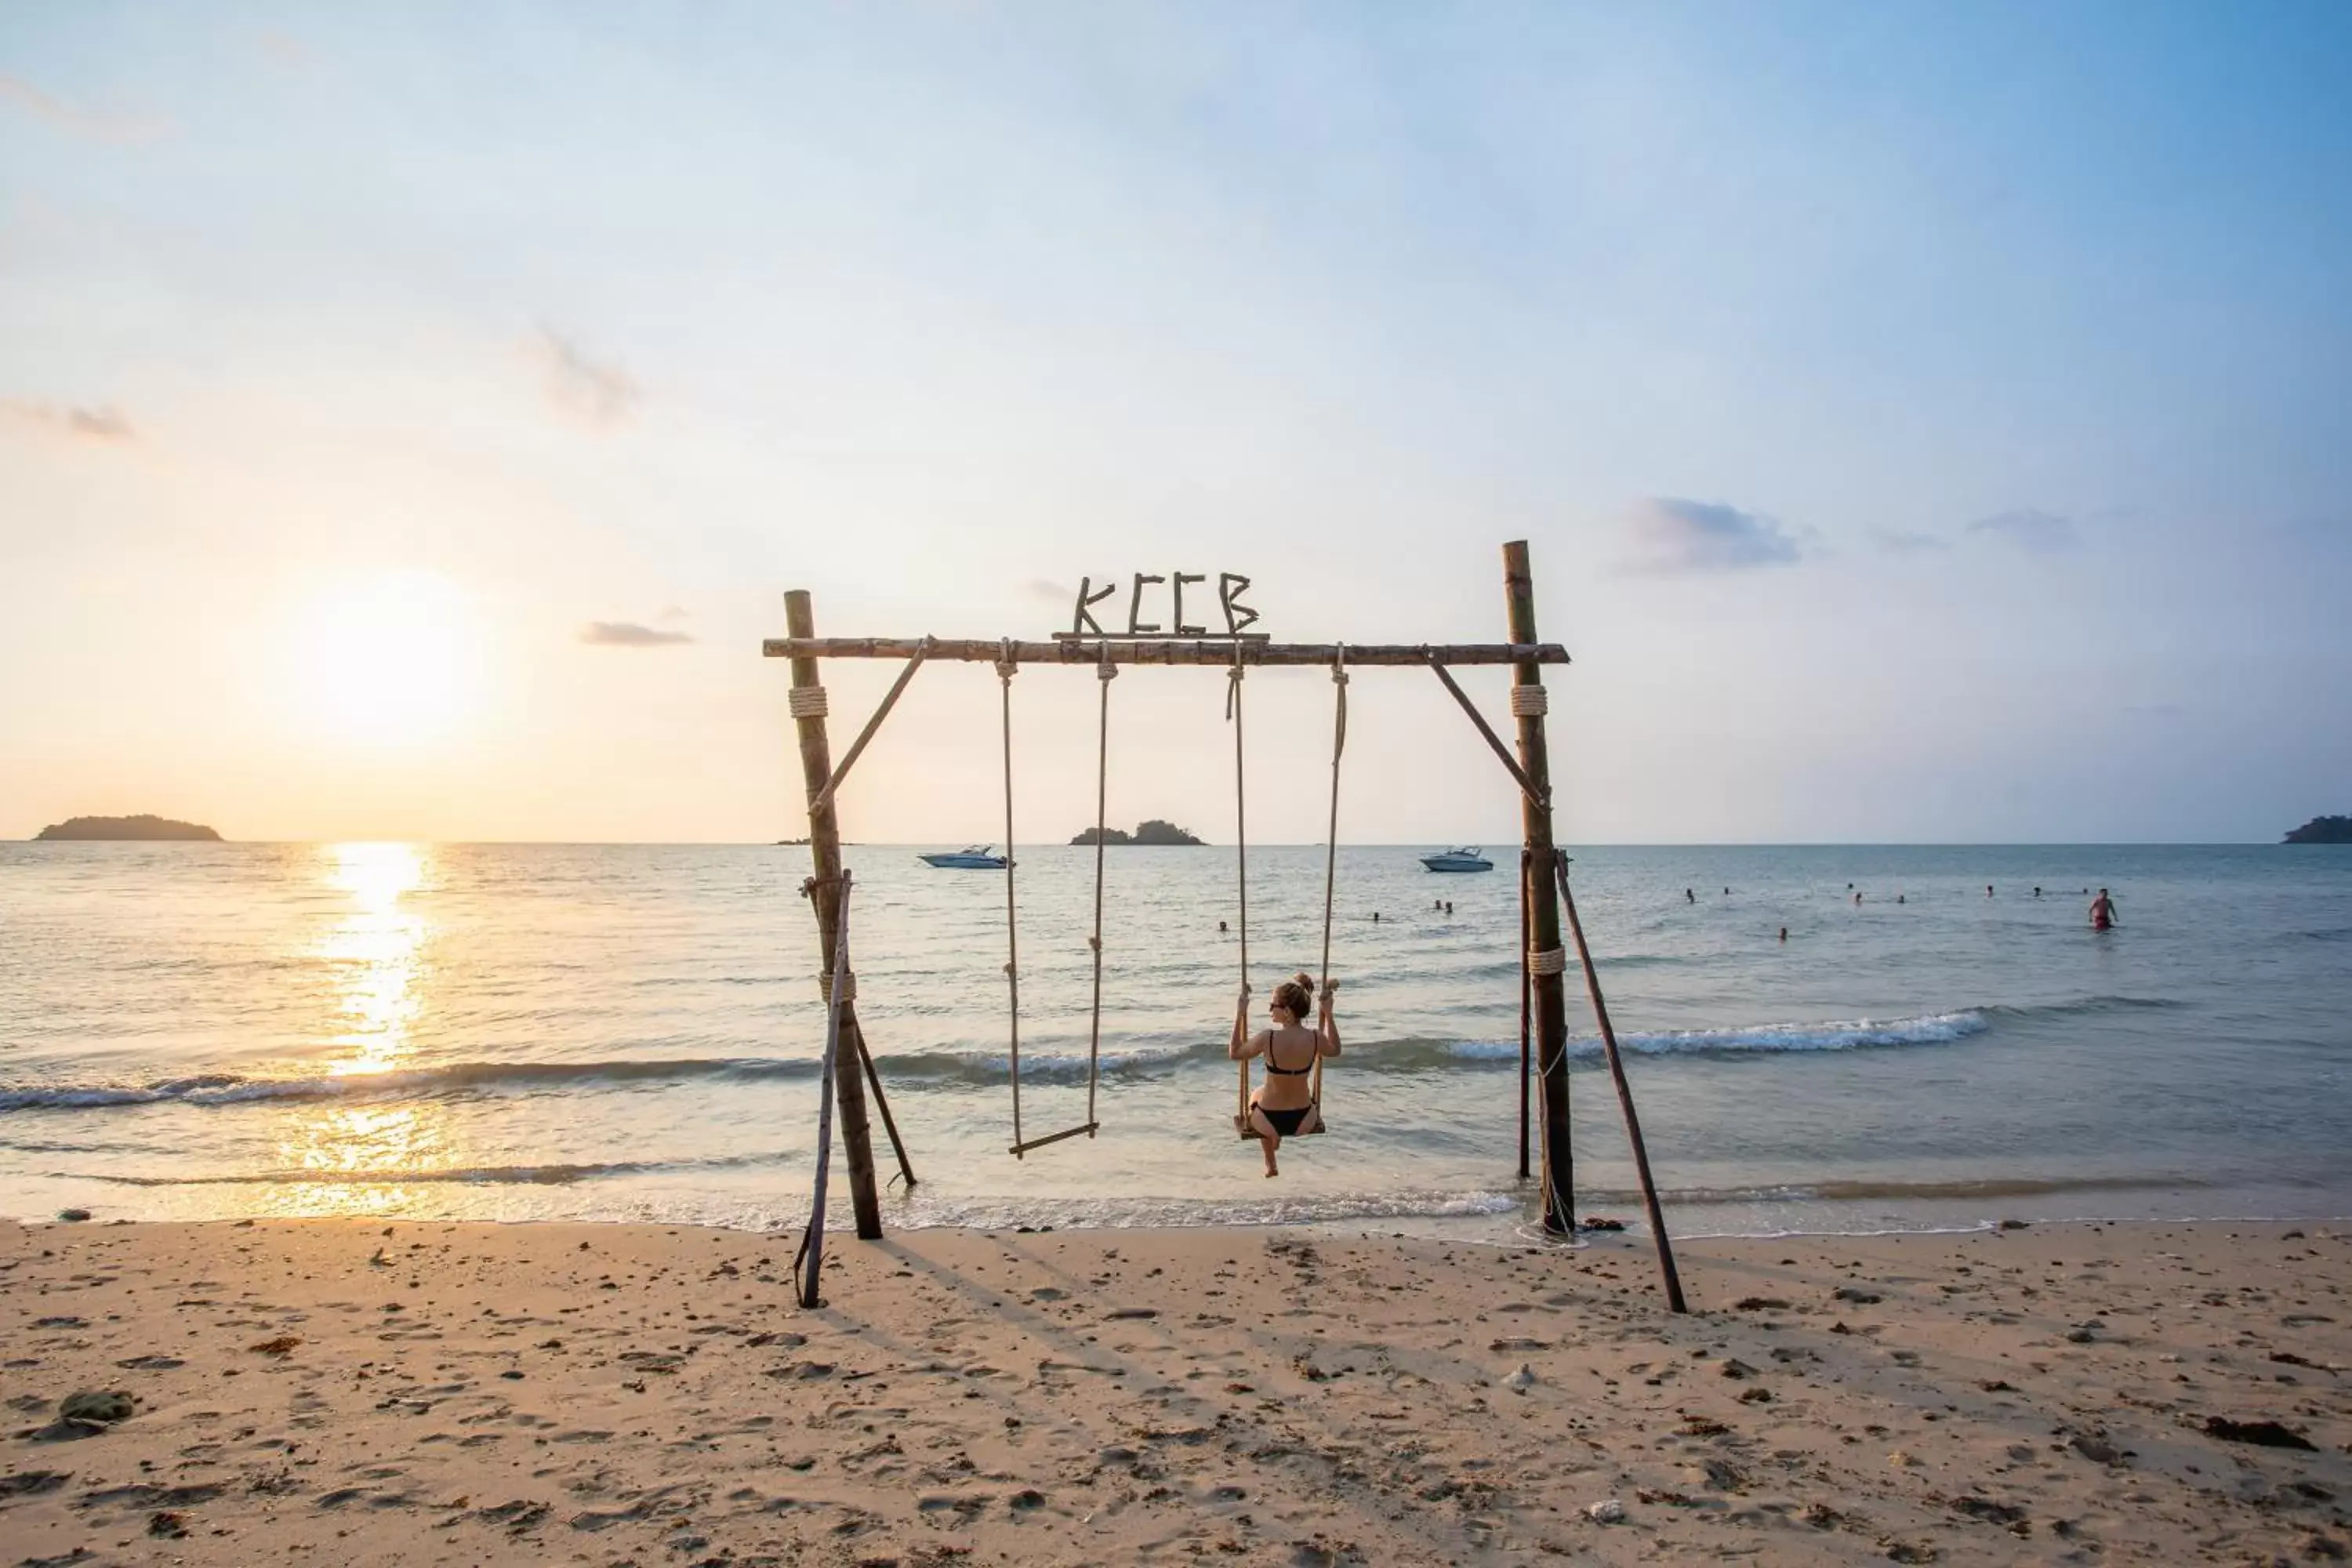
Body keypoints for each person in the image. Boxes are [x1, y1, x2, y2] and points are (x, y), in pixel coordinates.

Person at [1230, 973, 1341, 1178]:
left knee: (1257, 1095)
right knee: (1269, 1094)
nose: (1270, 1010)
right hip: (1304, 1121)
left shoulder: (1268, 1038)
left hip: (1268, 1120)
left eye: (1274, 1005)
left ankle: (1271, 1161)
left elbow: (1235, 1053)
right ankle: (1273, 1144)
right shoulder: (1315, 1037)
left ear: (1288, 1011)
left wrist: (1239, 1014)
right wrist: (1329, 1014)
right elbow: (1335, 1050)